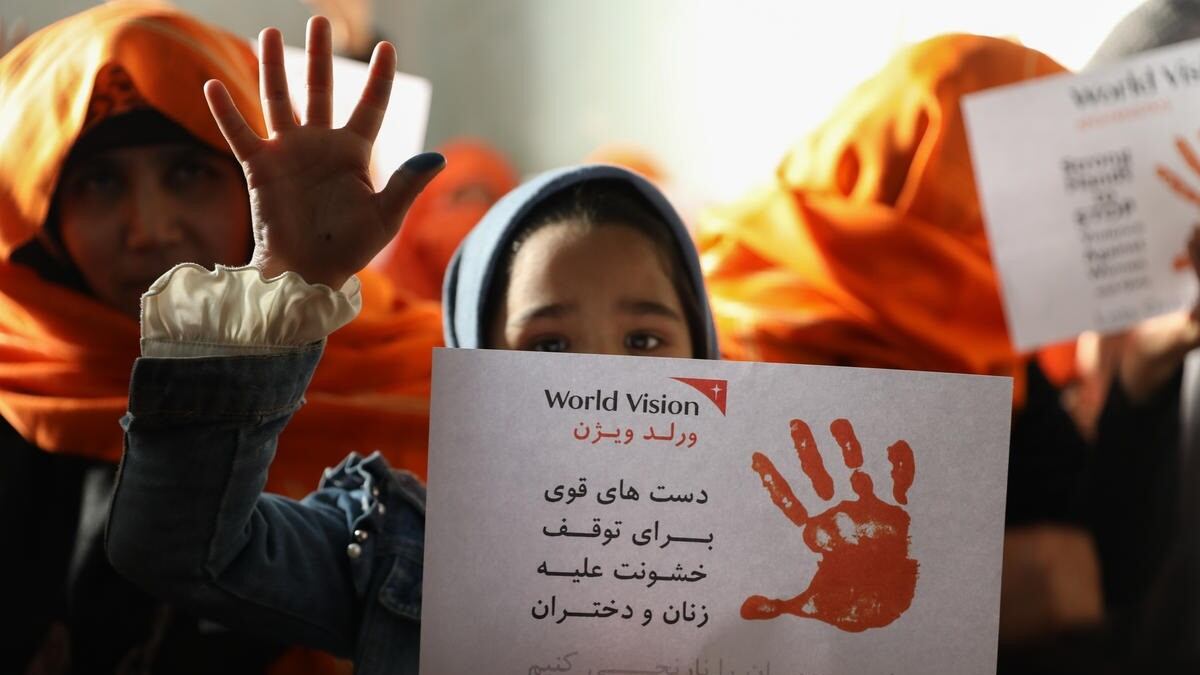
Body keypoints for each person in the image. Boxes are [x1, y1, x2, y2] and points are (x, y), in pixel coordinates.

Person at [106, 16, 716, 675]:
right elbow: (177, 551)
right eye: (549, 346)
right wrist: (287, 281)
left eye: (644, 339)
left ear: (707, 360)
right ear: (478, 375)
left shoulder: (776, 543)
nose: (602, 379)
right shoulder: (396, 544)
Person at [0, 4, 441, 672]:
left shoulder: (426, 382)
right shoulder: (16, 396)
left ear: (253, 183)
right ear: (42, 219)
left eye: (189, 174)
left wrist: (283, 298)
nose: (149, 229)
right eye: (99, 183)